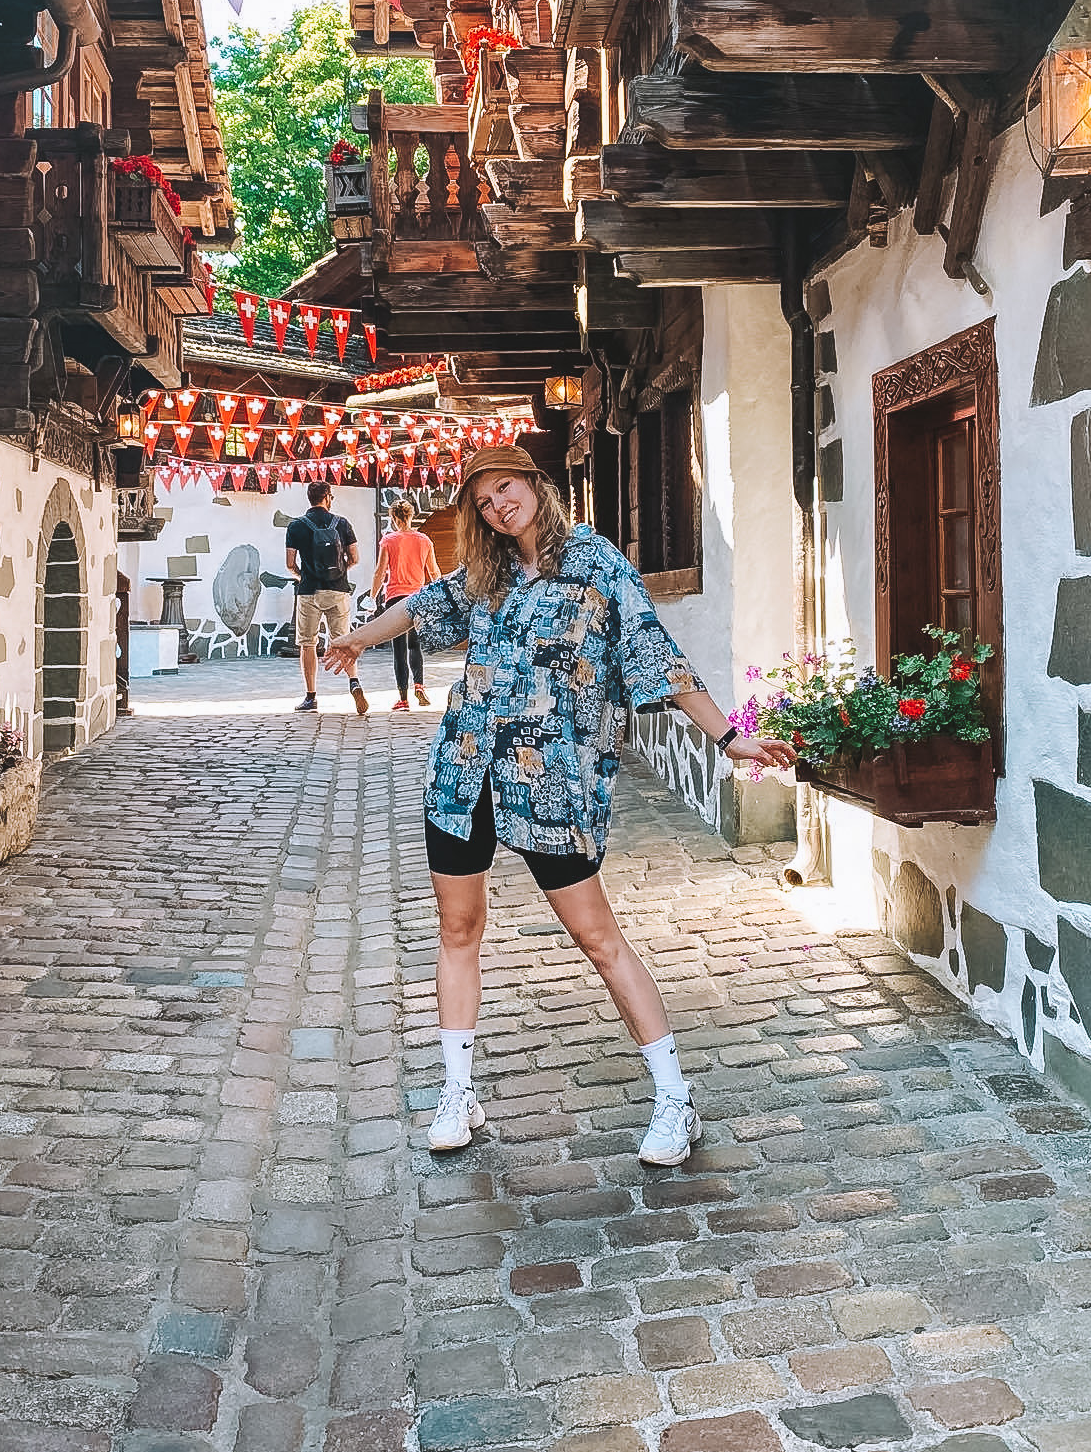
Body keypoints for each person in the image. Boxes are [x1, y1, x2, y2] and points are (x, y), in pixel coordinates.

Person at [325, 443, 794, 1165]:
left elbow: (657, 655)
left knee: (597, 938)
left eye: (504, 488)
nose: (496, 507)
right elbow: (419, 606)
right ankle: (458, 1093)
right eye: (483, 501)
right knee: (458, 928)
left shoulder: (596, 563)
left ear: (536, 485)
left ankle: (675, 1099)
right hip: (463, 774)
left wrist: (730, 738)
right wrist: (357, 639)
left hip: (551, 784)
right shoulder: (487, 574)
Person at [285, 481, 368, 716]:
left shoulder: (296, 526)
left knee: (307, 643)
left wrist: (303, 576)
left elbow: (290, 563)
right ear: (328, 497)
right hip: (338, 590)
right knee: (343, 640)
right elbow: (355, 557)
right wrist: (340, 572)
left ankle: (311, 697)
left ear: (309, 498)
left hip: (309, 591)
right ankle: (354, 682)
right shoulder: (342, 523)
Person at [370, 498, 441, 711]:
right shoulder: (424, 540)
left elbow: (380, 572)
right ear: (411, 516)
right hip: (417, 597)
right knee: (415, 645)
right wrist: (438, 596)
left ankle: (403, 699)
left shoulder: (388, 541)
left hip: (395, 598)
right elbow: (434, 571)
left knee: (399, 649)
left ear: (393, 518)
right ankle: (419, 685)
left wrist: (373, 597)